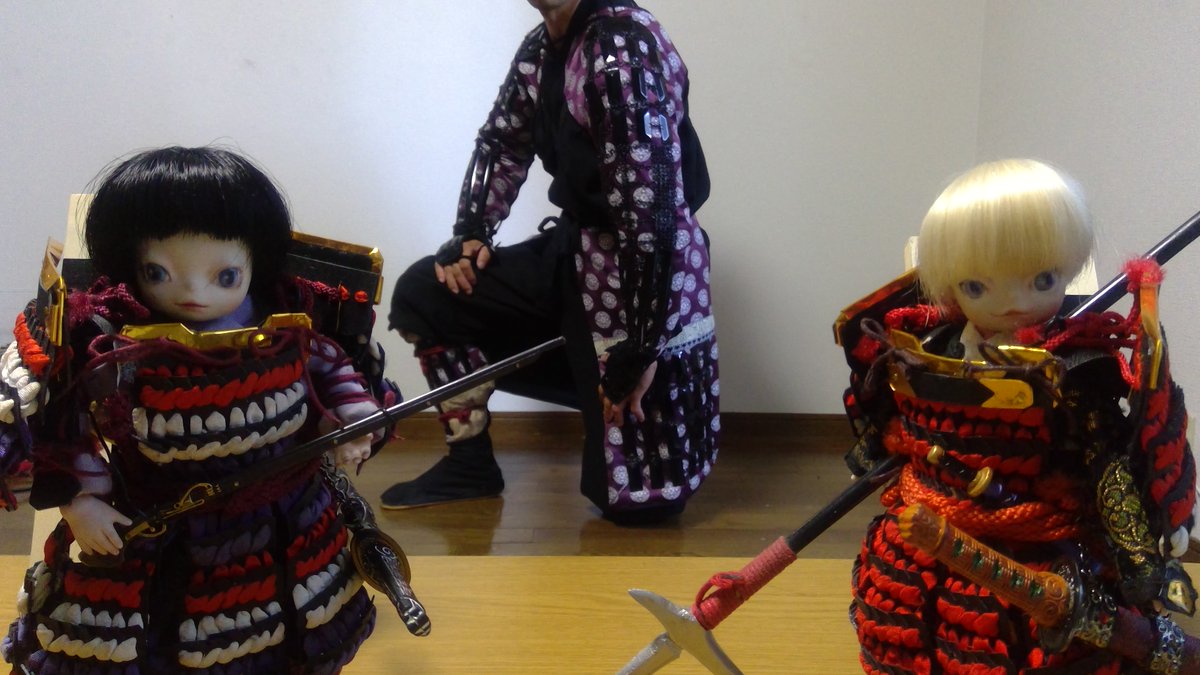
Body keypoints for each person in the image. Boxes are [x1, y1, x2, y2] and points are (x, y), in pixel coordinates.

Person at [1, 146, 385, 673]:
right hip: (159, 525)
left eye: (224, 276)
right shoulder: (117, 346)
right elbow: (67, 424)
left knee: (293, 639)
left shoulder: (287, 332)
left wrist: (353, 423)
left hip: (290, 520)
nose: (193, 293)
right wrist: (81, 502)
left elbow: (334, 372)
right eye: (159, 273)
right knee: (146, 646)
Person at [837, 159, 1196, 672]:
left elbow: (1106, 461)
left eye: (1041, 279)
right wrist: (878, 444)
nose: (1012, 303)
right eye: (977, 287)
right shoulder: (922, 349)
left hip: (1045, 550)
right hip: (929, 530)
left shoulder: (1077, 366)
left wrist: (1136, 551)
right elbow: (896, 422)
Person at [383, 0, 718, 523]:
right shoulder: (541, 48)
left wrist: (645, 343)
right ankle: (470, 464)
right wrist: (472, 231)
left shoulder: (620, 45)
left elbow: (651, 211)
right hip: (573, 253)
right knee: (425, 294)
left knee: (639, 504)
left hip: (649, 276)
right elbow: (502, 141)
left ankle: (607, 387)